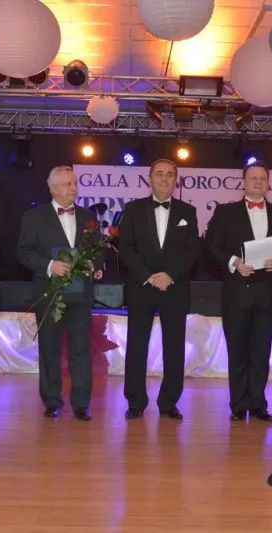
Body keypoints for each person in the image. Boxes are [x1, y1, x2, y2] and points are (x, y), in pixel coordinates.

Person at [205, 160, 272, 422]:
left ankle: (258, 404)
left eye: (262, 179)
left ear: (268, 184)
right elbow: (211, 246)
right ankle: (237, 404)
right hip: (236, 293)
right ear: (243, 182)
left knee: (261, 350)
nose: (258, 182)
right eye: (253, 178)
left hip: (268, 293)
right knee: (237, 351)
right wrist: (234, 262)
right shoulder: (225, 212)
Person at [17, 166, 103, 421]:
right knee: (49, 348)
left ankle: (81, 405)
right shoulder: (34, 217)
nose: (73, 188)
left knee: (81, 350)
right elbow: (23, 251)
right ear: (53, 188)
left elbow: (99, 249)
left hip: (80, 294)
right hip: (49, 293)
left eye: (75, 183)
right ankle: (52, 401)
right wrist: (49, 265)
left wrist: (95, 265)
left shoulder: (88, 216)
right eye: (67, 184)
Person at [119, 158, 200, 420]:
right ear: (150, 178)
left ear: (176, 180)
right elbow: (126, 248)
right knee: (136, 346)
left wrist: (170, 275)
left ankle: (169, 402)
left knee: (174, 346)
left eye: (169, 174)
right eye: (159, 174)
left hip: (174, 288)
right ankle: (135, 401)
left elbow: (192, 251)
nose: (164, 178)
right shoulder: (132, 209)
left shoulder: (188, 211)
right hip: (141, 286)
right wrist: (147, 276)